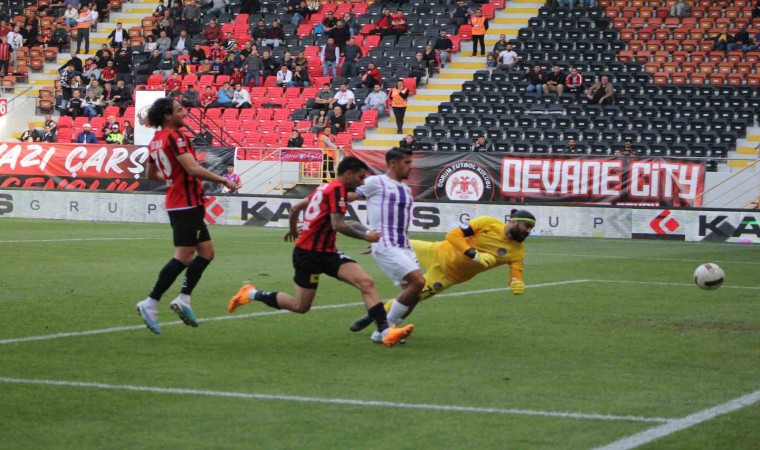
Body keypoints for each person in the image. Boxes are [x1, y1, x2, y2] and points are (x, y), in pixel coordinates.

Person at [226, 157, 414, 348]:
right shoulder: (337, 189)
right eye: (360, 177)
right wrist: (366, 236)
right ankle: (251, 293)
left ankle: (385, 332)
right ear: (348, 174)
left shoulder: (326, 187)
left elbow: (296, 208)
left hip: (328, 253)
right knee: (301, 306)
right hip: (308, 255)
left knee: (366, 282)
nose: (363, 182)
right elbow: (338, 224)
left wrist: (293, 229)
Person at [136, 98, 238, 335]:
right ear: (167, 116)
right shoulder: (176, 137)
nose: (184, 113)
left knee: (207, 253)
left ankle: (183, 299)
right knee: (183, 257)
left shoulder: (156, 141)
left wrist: (172, 179)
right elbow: (192, 169)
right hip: (185, 203)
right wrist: (224, 180)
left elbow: (150, 173)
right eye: (179, 110)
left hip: (182, 202)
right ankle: (150, 302)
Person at [349, 211, 536, 335]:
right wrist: (473, 254)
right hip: (437, 250)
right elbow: (453, 235)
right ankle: (354, 228)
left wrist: (516, 282)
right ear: (513, 221)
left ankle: (375, 317)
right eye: (526, 226)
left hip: (447, 275)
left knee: (413, 296)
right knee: (392, 243)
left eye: (531, 229)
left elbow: (516, 272)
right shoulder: (487, 223)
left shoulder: (517, 251)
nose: (528, 231)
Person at [345, 148, 424, 342]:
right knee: (418, 282)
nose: (410, 167)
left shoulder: (406, 189)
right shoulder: (376, 182)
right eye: (407, 163)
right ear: (393, 164)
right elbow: (346, 197)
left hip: (404, 245)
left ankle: (383, 331)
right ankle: (386, 330)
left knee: (415, 293)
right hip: (385, 243)